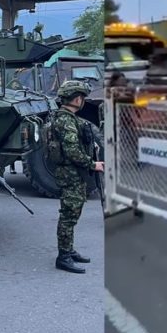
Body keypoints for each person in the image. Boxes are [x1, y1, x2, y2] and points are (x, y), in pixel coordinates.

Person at [45, 80, 104, 274]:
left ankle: (68, 250)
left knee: (73, 212)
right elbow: (72, 151)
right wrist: (91, 163)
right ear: (77, 99)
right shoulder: (66, 121)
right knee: (69, 215)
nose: (83, 101)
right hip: (70, 173)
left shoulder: (65, 118)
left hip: (72, 173)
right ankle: (63, 256)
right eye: (82, 98)